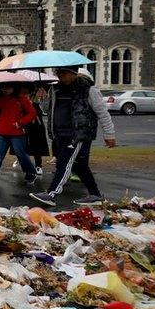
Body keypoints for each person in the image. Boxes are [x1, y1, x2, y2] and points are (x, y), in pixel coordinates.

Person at [30, 67, 116, 206]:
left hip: (78, 134)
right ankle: (95, 195)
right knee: (80, 166)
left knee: (63, 163)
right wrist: (43, 98)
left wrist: (109, 134)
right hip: (59, 133)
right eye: (58, 73)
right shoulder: (55, 89)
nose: (60, 76)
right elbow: (46, 109)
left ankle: (52, 194)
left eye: (63, 73)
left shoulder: (89, 90)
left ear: (73, 73)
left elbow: (103, 113)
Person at [0, 84, 38, 184]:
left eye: (8, 87)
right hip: (2, 130)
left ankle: (30, 172)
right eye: (3, 88)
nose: (5, 90)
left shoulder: (21, 98)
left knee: (20, 153)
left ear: (14, 87)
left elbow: (32, 113)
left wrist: (21, 122)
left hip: (17, 131)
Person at [13, 86, 50, 176]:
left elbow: (43, 109)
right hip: (24, 123)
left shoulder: (39, 94)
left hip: (36, 124)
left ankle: (38, 165)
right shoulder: (19, 96)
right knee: (21, 143)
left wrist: (41, 98)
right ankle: (20, 158)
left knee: (36, 144)